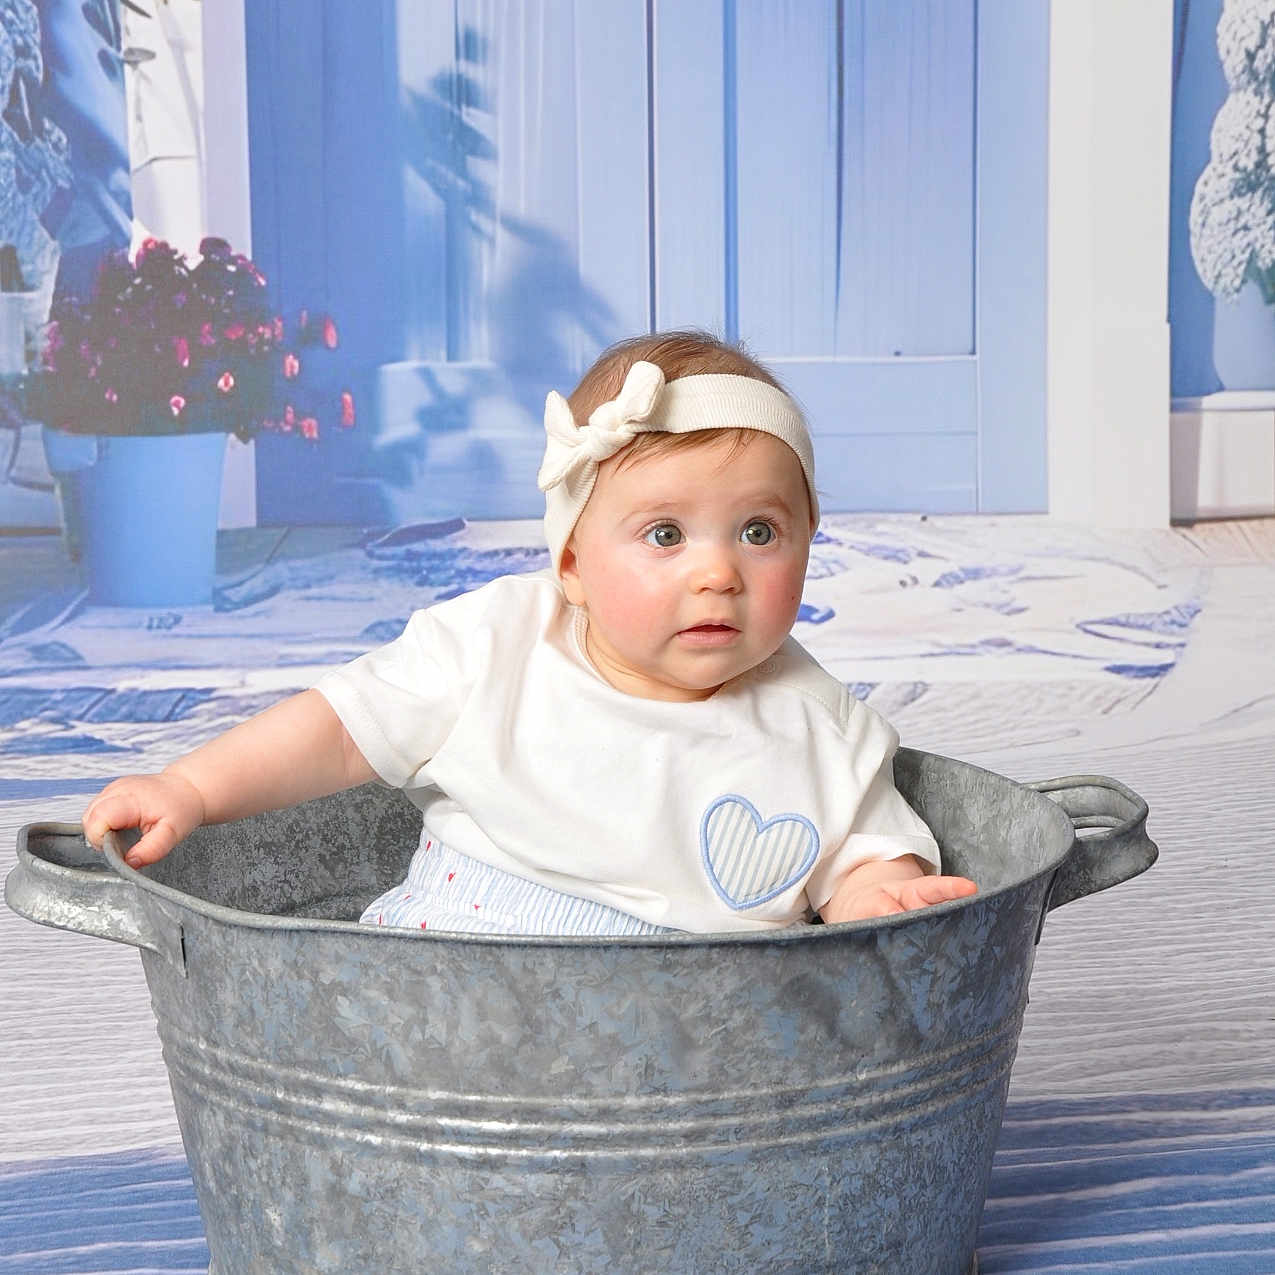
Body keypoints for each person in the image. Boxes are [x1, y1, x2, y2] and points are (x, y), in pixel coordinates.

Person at [82, 331, 977, 934]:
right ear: (573, 563)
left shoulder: (818, 724)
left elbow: (866, 857)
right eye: (664, 535)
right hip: (442, 988)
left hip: (690, 1052)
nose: (718, 572)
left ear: (808, 541)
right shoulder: (498, 645)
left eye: (759, 531)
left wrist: (877, 902)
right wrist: (190, 786)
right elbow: (340, 725)